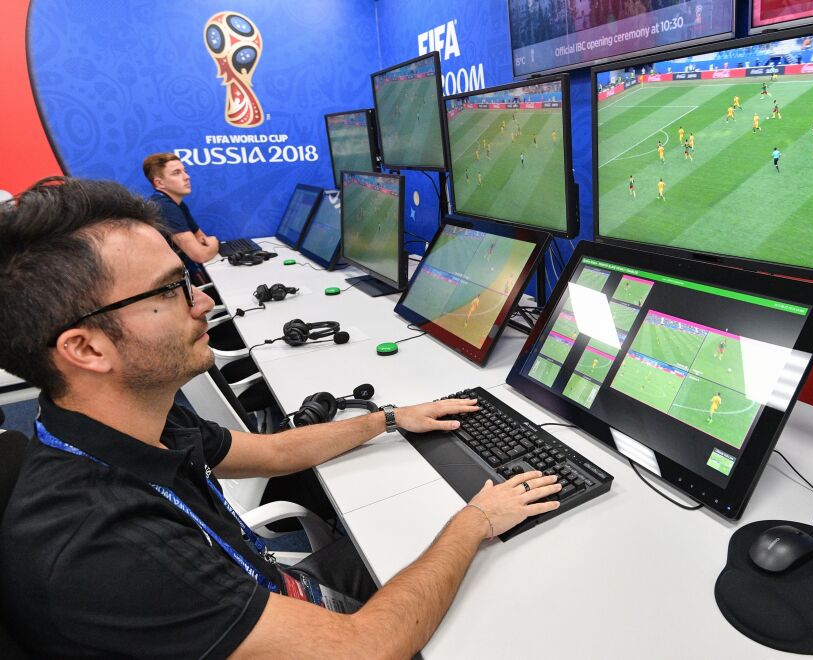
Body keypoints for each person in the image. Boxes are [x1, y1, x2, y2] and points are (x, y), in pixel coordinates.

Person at [0, 177, 562, 658]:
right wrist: (477, 519)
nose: (202, 302)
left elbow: (273, 452)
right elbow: (366, 647)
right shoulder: (106, 551)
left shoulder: (128, 419)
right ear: (86, 349)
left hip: (270, 588)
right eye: (171, 291)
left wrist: (390, 419)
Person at [143, 153, 219, 284]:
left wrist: (206, 245)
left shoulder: (177, 204)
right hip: (167, 285)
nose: (187, 177)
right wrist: (215, 243)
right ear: (159, 183)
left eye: (185, 171)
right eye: (177, 173)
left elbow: (201, 238)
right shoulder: (164, 206)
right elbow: (199, 254)